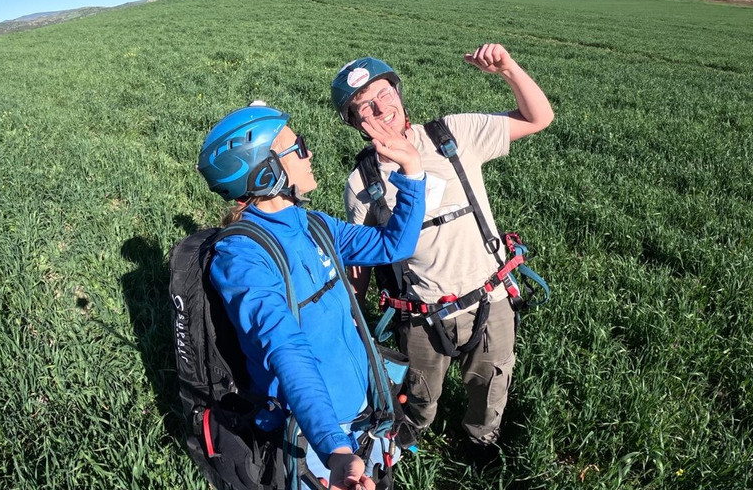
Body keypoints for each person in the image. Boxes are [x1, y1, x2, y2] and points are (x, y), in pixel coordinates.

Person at [330, 44, 554, 458]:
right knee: (420, 394)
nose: (380, 110)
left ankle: (480, 442)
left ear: (398, 93)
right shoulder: (362, 184)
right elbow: (360, 261)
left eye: (384, 95)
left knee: (491, 386)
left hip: (491, 296)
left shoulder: (452, 134)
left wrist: (508, 69)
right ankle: (408, 441)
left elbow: (539, 118)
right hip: (421, 314)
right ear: (355, 122)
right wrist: (349, 325)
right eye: (365, 107)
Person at [198, 103, 427, 490]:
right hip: (312, 438)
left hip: (365, 410)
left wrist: (412, 172)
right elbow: (286, 350)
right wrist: (334, 449)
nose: (310, 153)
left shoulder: (314, 224)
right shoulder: (241, 257)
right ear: (266, 171)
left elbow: (395, 245)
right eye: (298, 146)